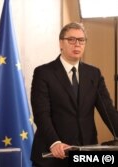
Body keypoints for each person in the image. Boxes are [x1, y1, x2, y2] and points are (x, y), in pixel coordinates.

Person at [30, 22, 118, 167]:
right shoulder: (43, 73)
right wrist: (55, 142)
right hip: (53, 154)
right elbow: (41, 114)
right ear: (61, 43)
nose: (77, 44)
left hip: (85, 152)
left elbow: (108, 110)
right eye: (71, 39)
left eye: (81, 40)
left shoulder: (93, 74)